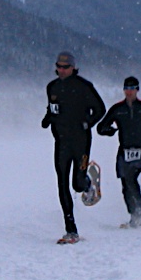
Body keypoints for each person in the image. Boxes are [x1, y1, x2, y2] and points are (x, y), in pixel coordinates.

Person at [41, 51, 105, 244]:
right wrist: (47, 119)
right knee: (62, 184)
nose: (61, 70)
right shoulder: (52, 87)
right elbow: (53, 108)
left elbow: (100, 109)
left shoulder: (84, 87)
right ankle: (71, 230)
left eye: (65, 67)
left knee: (76, 184)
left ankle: (88, 184)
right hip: (61, 141)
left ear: (73, 68)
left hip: (81, 141)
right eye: (59, 67)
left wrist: (87, 123)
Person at [96, 76, 141, 227]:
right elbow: (100, 127)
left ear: (137, 90)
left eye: (132, 89)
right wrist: (110, 131)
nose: (129, 92)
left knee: (130, 178)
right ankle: (135, 215)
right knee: (125, 184)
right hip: (124, 150)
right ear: (123, 90)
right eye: (127, 89)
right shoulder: (118, 109)